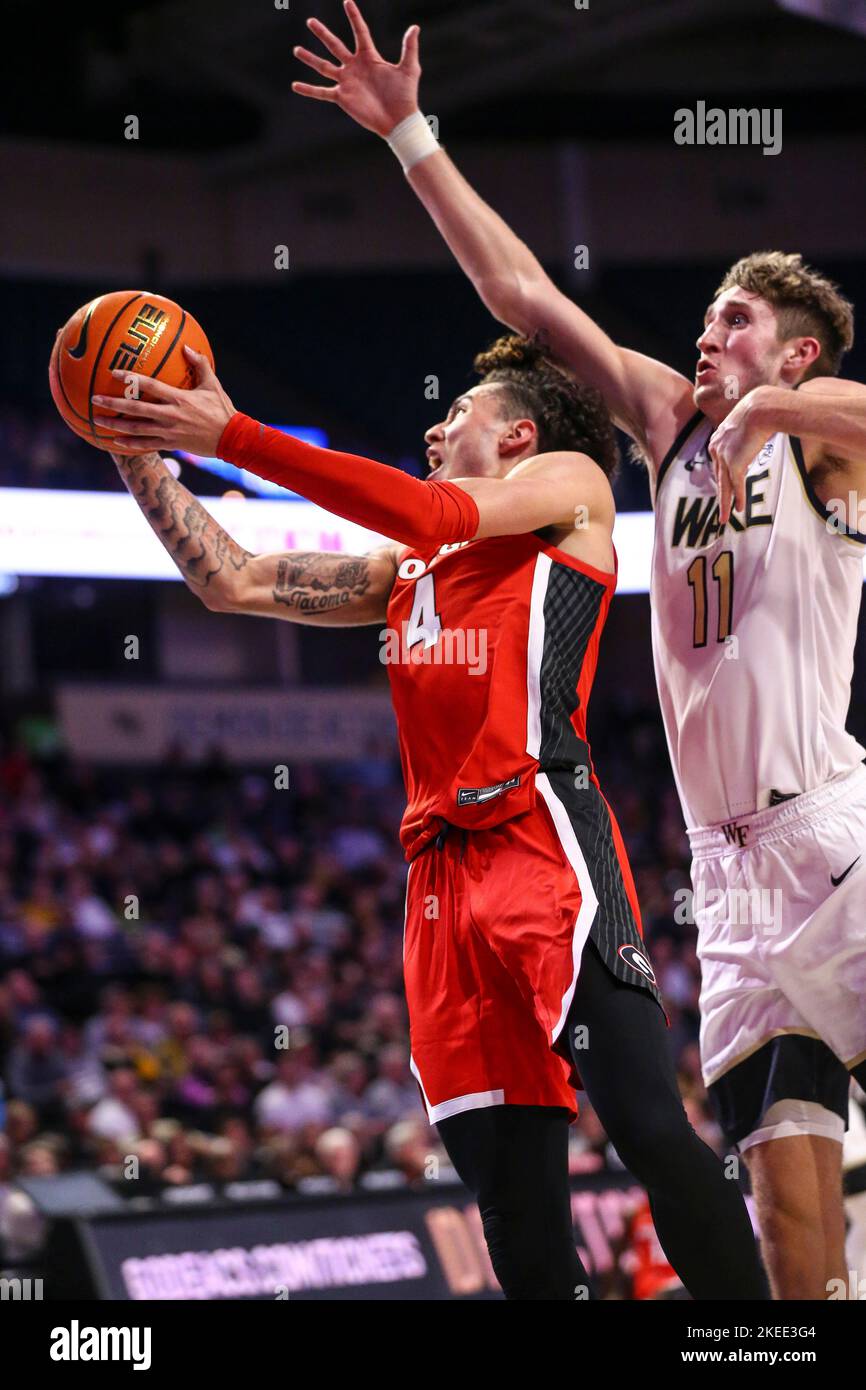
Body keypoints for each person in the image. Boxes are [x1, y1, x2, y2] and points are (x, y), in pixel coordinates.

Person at [288, 0, 866, 1299]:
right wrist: (408, 135)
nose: (705, 336)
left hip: (835, 830)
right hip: (728, 880)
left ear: (799, 348)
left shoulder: (818, 438)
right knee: (783, 1220)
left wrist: (765, 402)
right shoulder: (668, 427)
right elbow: (521, 294)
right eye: (709, 322)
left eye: (732, 321)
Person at [87, 334, 766, 1300]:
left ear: (519, 435)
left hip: (539, 832)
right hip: (439, 885)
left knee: (646, 1123)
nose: (433, 427)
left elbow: (427, 505)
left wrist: (231, 433)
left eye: (459, 416)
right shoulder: (409, 570)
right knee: (510, 1198)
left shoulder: (568, 486)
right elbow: (228, 580)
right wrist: (138, 449)